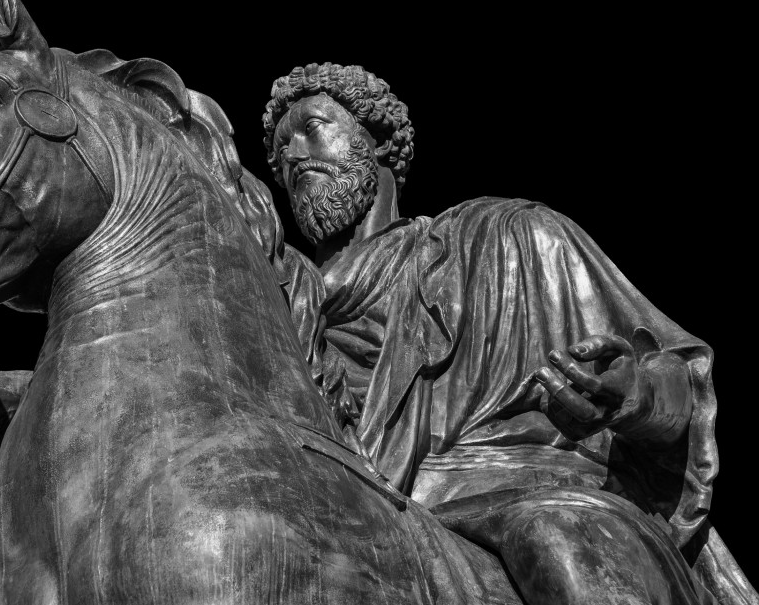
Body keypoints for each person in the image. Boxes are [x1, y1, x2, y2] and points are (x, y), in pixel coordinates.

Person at [261, 62, 753, 604]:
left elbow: (675, 385)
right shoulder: (279, 304)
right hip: (357, 507)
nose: (291, 156)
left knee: (559, 539)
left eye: (312, 127)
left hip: (528, 493)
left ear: (376, 141)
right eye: (280, 151)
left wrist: (634, 394)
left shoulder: (509, 238)